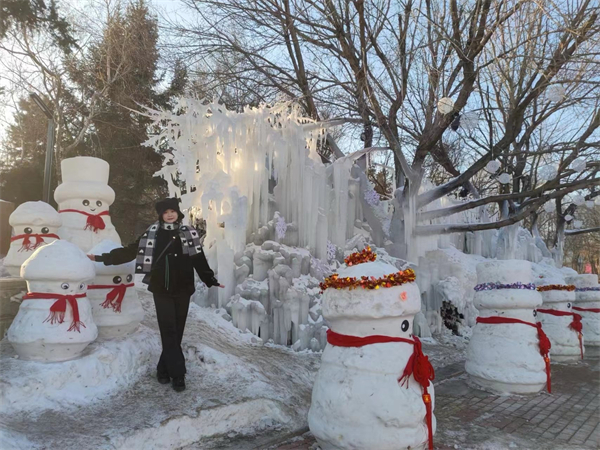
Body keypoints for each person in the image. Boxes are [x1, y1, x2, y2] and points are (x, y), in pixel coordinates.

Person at [88, 197, 222, 392]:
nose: (169, 214)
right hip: (161, 289)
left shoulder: (188, 233)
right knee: (168, 330)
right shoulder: (152, 233)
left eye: (172, 211)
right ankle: (178, 375)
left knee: (177, 331)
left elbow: (198, 259)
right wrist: (103, 258)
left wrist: (210, 279)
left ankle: (163, 369)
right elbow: (130, 252)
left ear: (178, 213)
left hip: (183, 288)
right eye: (166, 212)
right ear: (161, 215)